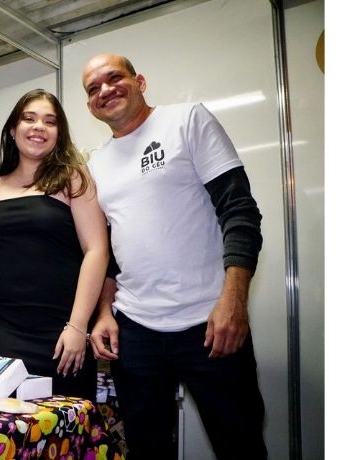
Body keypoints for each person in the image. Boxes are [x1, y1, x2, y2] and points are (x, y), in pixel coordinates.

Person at [82, 53, 267, 459]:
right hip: (137, 332)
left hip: (210, 323)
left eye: (114, 78)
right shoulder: (97, 162)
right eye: (93, 88)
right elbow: (109, 251)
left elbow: (239, 211)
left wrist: (234, 301)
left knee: (240, 445)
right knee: (148, 449)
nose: (104, 90)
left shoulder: (187, 120)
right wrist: (104, 313)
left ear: (140, 81)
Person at [0, 89, 108, 401]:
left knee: (66, 434)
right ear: (13, 129)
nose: (39, 126)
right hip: (6, 330)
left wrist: (78, 326)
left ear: (59, 133)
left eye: (49, 122)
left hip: (62, 331)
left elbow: (97, 250)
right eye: (29, 118)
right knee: (5, 431)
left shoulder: (72, 177)